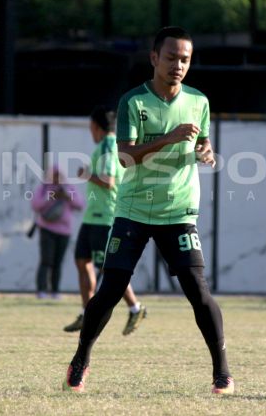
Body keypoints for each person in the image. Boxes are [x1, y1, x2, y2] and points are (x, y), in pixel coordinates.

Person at [62, 26, 233, 395]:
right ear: (154, 58)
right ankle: (80, 361)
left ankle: (222, 372)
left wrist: (207, 152)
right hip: (134, 210)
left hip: (179, 210)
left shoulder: (199, 102)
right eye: (171, 57)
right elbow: (124, 156)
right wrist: (168, 138)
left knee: (198, 291)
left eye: (184, 59)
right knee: (110, 289)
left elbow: (204, 143)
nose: (178, 65)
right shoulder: (133, 102)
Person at [64, 106, 147, 335]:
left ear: (96, 126)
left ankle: (135, 307)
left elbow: (109, 181)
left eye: (90, 126)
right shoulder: (102, 146)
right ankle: (86, 311)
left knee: (108, 269)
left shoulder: (109, 145)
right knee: (82, 261)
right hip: (92, 216)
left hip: (105, 217)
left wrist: (86, 175)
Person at [31, 165, 84, 299]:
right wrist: (51, 197)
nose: (56, 178)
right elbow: (35, 205)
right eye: (54, 174)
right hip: (47, 229)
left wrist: (67, 196)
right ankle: (41, 290)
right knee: (46, 260)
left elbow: (80, 204)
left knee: (57, 262)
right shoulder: (44, 188)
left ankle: (55, 291)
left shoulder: (68, 187)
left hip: (64, 231)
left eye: (58, 174)